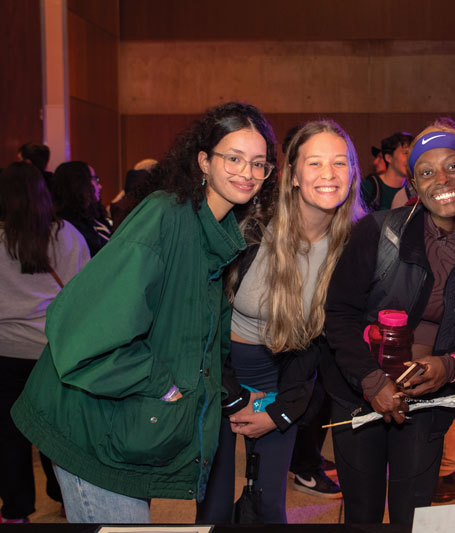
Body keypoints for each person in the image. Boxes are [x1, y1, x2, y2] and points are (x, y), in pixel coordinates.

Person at [11, 101, 276, 524]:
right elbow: (82, 330)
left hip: (128, 429)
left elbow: (196, 342)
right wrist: (164, 387)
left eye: (258, 163)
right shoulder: (165, 216)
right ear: (203, 161)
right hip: (92, 431)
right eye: (234, 158)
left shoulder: (217, 232)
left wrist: (231, 396)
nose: (247, 172)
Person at [197, 120, 364, 523]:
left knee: (270, 508)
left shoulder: (356, 245)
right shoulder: (250, 229)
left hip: (286, 379)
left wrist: (281, 410)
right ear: (293, 175)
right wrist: (233, 396)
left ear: (352, 174)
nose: (328, 173)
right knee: (214, 507)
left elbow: (321, 344)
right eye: (315, 162)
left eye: (339, 162)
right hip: (219, 372)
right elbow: (204, 319)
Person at [324, 121, 455, 524]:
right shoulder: (378, 232)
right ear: (414, 184)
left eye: (453, 166)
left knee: (413, 517)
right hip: (359, 389)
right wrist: (372, 381)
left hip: (428, 398)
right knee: (362, 515)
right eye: (426, 172)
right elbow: (338, 314)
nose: (441, 179)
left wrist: (451, 365)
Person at [0, 163, 90, 524]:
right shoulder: (66, 234)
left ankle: (16, 510)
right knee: (55, 431)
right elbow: (83, 292)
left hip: (4, 351)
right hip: (52, 351)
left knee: (9, 436)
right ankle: (66, 499)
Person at [50, 162, 111, 256]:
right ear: (79, 184)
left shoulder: (94, 216)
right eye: (95, 180)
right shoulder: (67, 226)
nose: (100, 186)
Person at [360, 132, 413, 211]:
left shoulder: (412, 191)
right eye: (406, 153)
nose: (411, 158)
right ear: (389, 158)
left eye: (412, 154)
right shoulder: (368, 187)